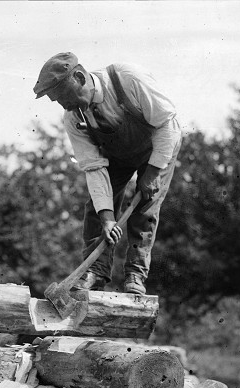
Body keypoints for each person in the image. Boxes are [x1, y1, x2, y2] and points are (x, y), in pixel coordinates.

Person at [33, 52, 181, 295]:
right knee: (96, 211)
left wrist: (153, 172)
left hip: (157, 147)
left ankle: (135, 275)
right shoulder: (73, 118)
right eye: (57, 102)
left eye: (65, 97)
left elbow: (167, 125)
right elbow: (94, 168)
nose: (65, 106)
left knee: (145, 208)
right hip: (118, 154)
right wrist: (107, 218)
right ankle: (95, 273)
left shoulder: (129, 79)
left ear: (80, 77)